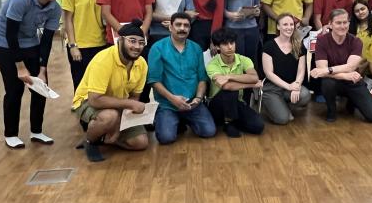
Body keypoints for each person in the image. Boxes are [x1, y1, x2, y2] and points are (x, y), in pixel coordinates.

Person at [0, 0, 67, 148]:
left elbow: (47, 40)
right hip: (5, 42)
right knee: (14, 90)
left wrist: (42, 70)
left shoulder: (55, 9)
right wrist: (20, 67)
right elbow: (11, 35)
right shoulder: (21, 0)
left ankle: (37, 131)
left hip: (29, 41)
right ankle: (10, 134)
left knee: (40, 87)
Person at [73, 20, 150, 162]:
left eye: (141, 42)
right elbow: (95, 100)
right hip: (87, 101)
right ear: (120, 40)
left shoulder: (142, 63)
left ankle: (105, 137)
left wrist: (124, 116)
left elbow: (134, 96)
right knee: (109, 116)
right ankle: (91, 141)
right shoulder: (103, 60)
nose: (137, 46)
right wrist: (124, 111)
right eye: (132, 41)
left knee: (141, 143)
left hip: (119, 104)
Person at [147, 12, 216, 145]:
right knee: (166, 138)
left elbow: (202, 78)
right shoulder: (157, 48)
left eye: (186, 26)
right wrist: (173, 99)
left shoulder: (196, 48)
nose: (182, 28)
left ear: (190, 29)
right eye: (178, 25)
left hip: (192, 104)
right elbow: (154, 81)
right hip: (168, 104)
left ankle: (182, 120)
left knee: (209, 131)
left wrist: (198, 98)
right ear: (170, 27)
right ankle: (167, 118)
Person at [310, 9, 372, 123]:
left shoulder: (356, 41)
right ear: (330, 24)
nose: (342, 26)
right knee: (327, 83)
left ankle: (351, 101)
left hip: (353, 81)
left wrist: (328, 70)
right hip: (337, 80)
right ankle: (331, 110)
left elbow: (350, 67)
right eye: (338, 23)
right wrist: (345, 76)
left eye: (345, 22)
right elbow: (321, 69)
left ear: (349, 23)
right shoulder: (322, 40)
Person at [206, 28, 265, 137]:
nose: (230, 47)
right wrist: (252, 85)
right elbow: (227, 86)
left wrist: (229, 76)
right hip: (217, 105)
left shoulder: (244, 59)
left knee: (258, 126)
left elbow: (254, 77)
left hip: (237, 102)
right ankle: (229, 123)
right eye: (225, 44)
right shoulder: (212, 64)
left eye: (232, 43)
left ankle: (232, 120)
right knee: (229, 91)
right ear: (218, 47)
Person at [62, 0, 107, 90]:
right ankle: (80, 107)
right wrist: (73, 46)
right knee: (80, 81)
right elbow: (68, 20)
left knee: (98, 81)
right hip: (80, 45)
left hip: (101, 43)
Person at [261, 13, 311, 124]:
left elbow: (301, 70)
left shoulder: (298, 45)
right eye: (285, 24)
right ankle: (271, 105)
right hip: (272, 88)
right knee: (282, 119)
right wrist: (289, 86)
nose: (289, 27)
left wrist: (297, 85)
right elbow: (268, 73)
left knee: (305, 95)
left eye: (291, 24)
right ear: (278, 27)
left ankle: (282, 105)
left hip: (290, 86)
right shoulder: (269, 46)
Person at [349, 0, 372, 65]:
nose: (360, 12)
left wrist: (365, 65)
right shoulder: (351, 26)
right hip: (354, 65)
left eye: (363, 9)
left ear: (368, 8)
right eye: (357, 11)